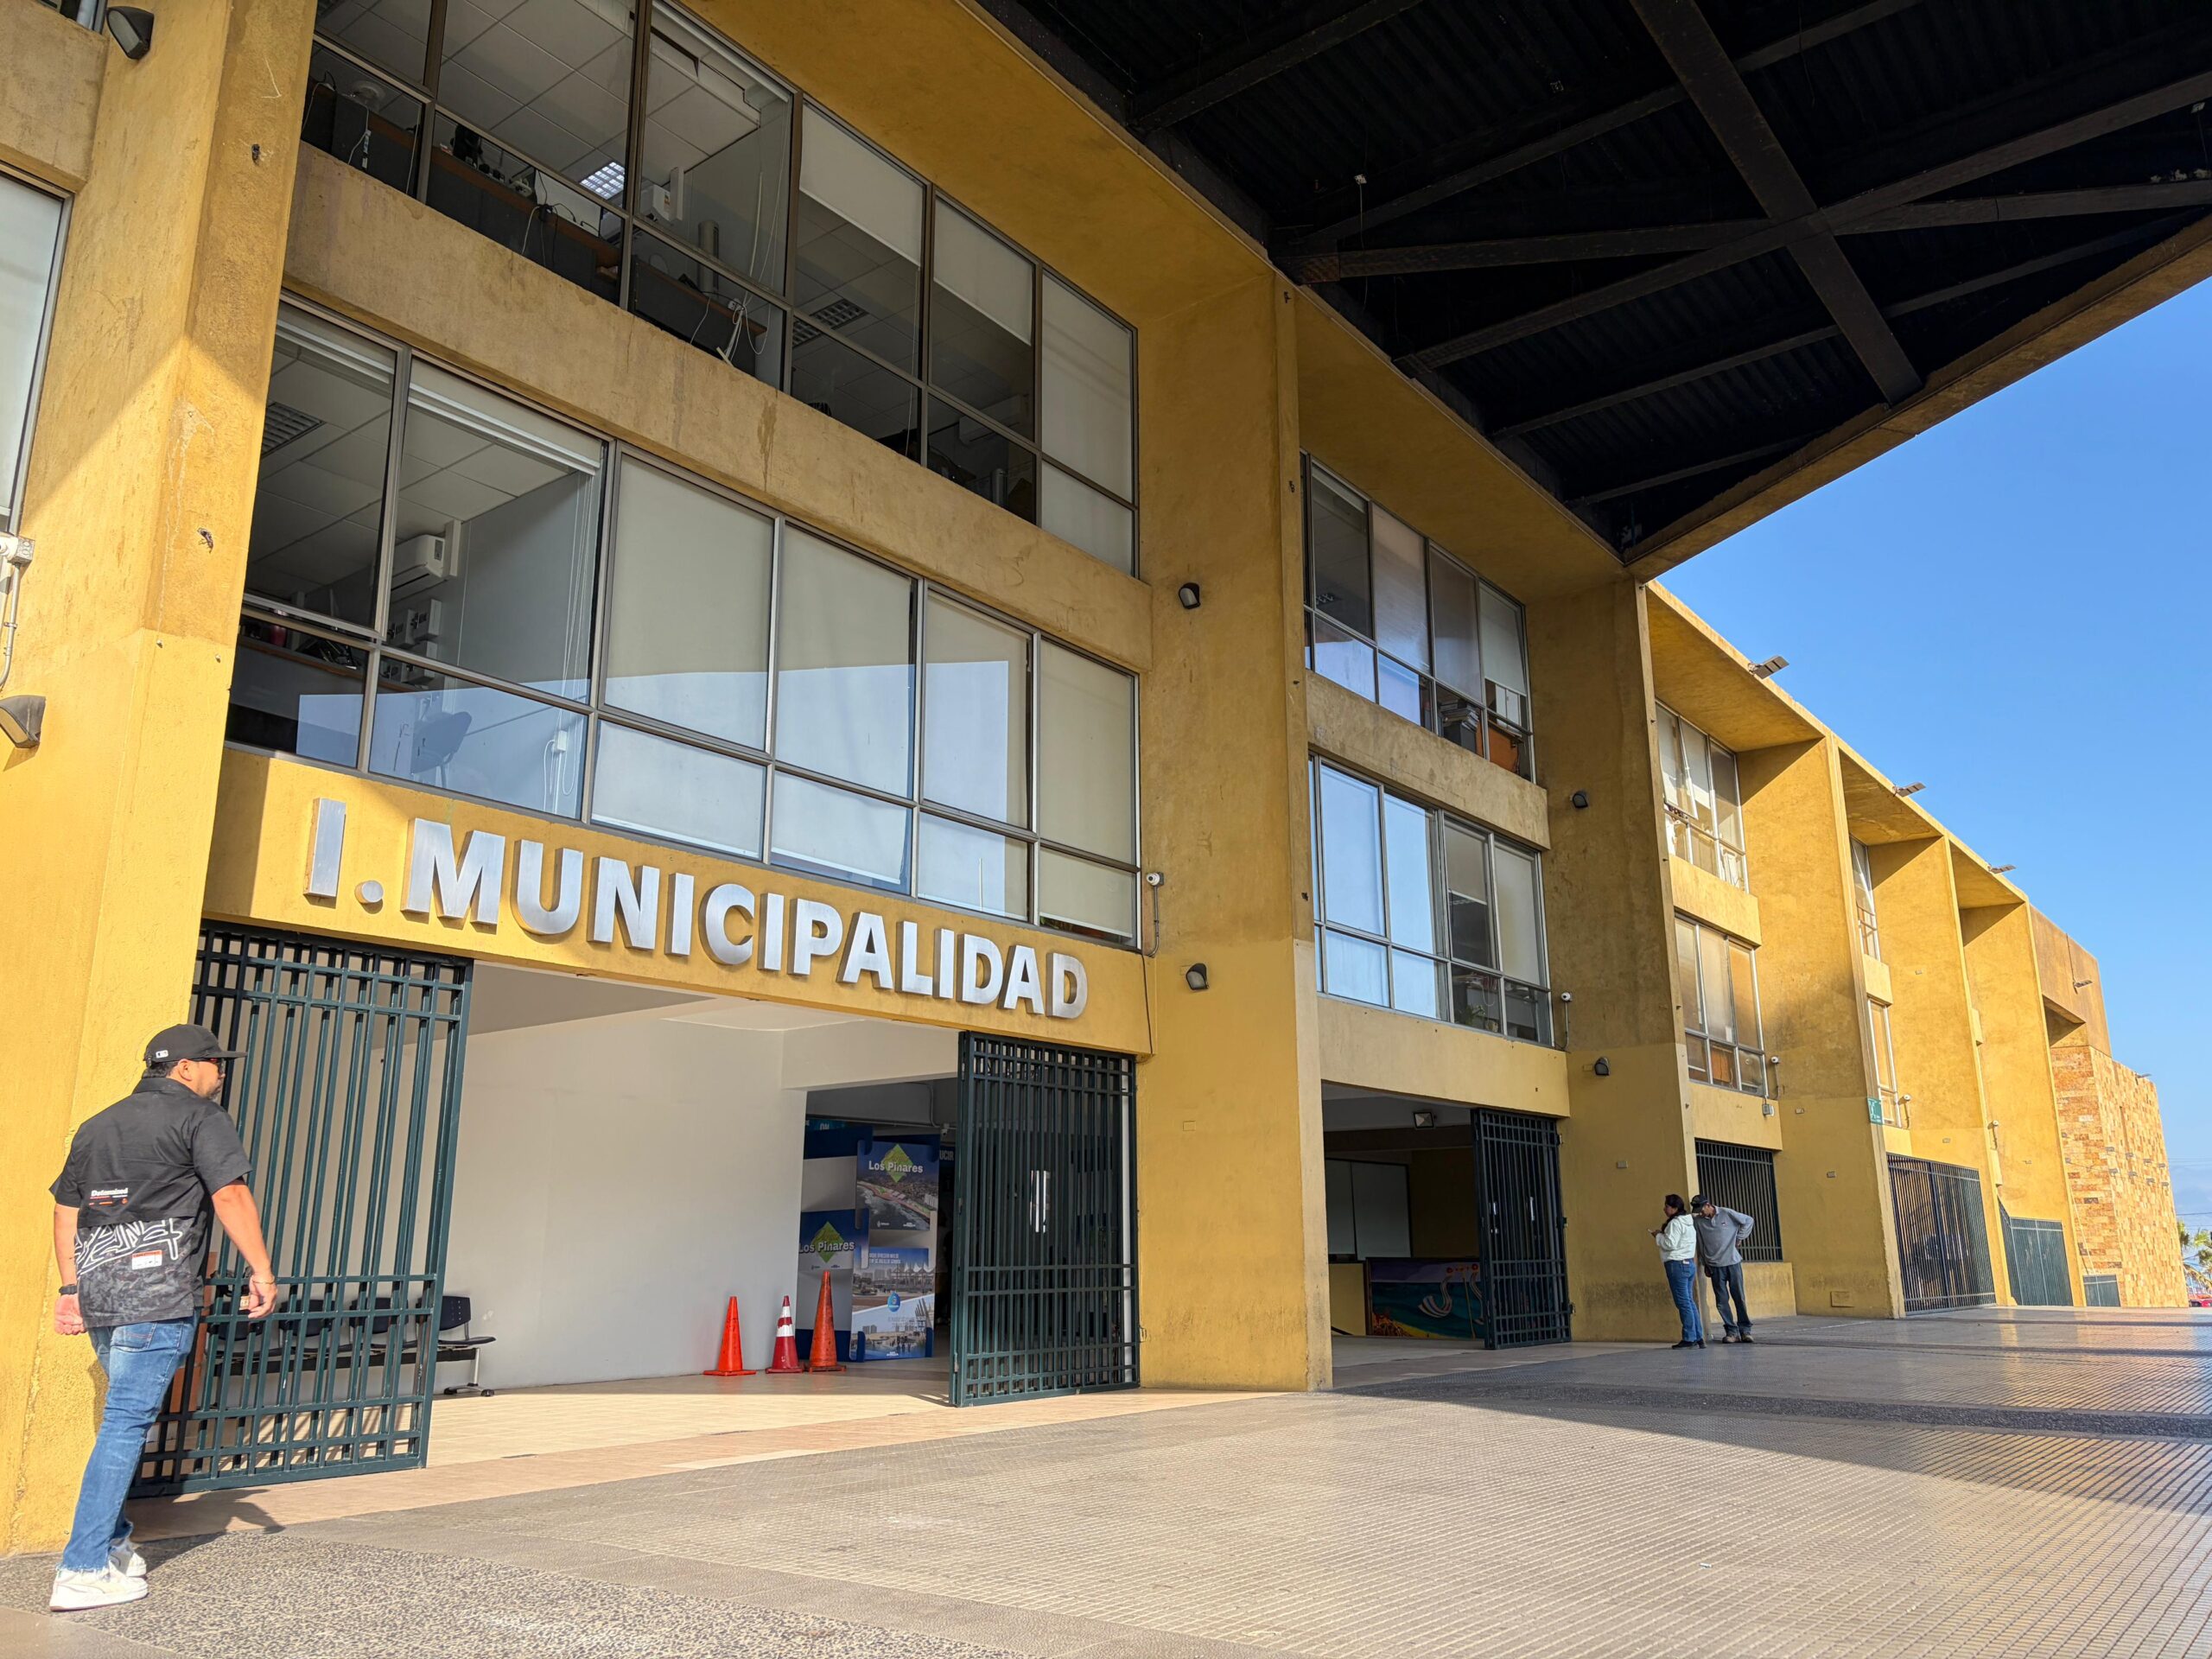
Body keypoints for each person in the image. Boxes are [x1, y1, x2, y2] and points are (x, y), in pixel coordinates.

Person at [46, 1025, 281, 1613]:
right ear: (184, 1068)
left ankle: (113, 1544)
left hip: (102, 1294)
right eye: (214, 1062)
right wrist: (262, 1270)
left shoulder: (97, 1125)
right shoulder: (202, 1118)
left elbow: (66, 1210)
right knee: (126, 1423)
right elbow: (230, 1195)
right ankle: (81, 1569)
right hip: (157, 1297)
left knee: (123, 1420)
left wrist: (71, 1288)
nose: (220, 1072)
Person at [1692, 1192, 1758, 1344]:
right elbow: (1700, 1243)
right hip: (1714, 1266)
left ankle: (1745, 1330)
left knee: (1739, 1297)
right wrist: (1704, 1263)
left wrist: (1739, 1238)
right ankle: (1731, 1331)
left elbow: (1748, 1221)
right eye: (1698, 1211)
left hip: (1732, 1262)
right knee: (1721, 1301)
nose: (1700, 1213)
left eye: (1702, 1210)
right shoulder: (1698, 1222)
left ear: (1708, 1205)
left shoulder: (1726, 1213)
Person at [1649, 1193, 1703, 1349]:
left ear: (1674, 1208)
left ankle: (1689, 1338)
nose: (1664, 1209)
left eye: (1667, 1206)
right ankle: (1698, 1336)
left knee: (1683, 1302)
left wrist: (1658, 1236)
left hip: (1677, 1264)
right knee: (1689, 1301)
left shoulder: (1675, 1223)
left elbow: (1670, 1244)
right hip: (1688, 1263)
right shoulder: (1688, 1222)